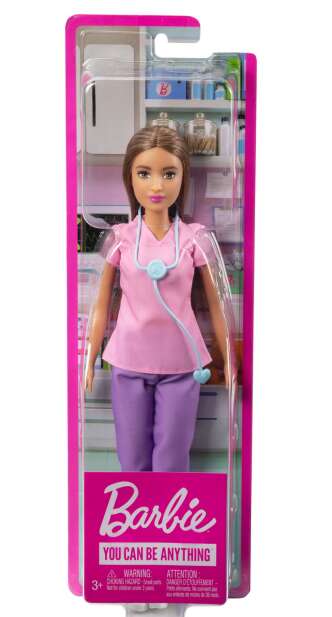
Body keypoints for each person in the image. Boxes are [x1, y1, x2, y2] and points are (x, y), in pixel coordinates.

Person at [83, 126, 235, 472]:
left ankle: (170, 508)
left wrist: (229, 360)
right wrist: (88, 358)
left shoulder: (194, 239)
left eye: (168, 174)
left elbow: (217, 304)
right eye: (144, 173)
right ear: (130, 178)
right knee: (132, 457)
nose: (156, 186)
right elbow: (100, 305)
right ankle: (137, 507)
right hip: (129, 361)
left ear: (183, 177)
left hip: (182, 364)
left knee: (172, 460)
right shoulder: (120, 239)